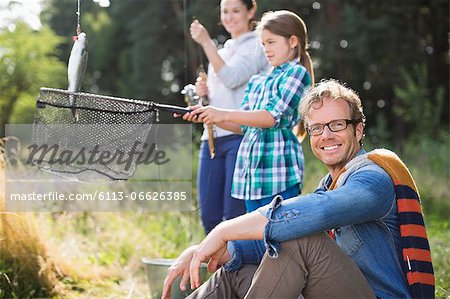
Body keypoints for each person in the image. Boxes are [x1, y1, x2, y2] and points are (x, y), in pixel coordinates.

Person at [163, 79, 435, 299]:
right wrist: (220, 250)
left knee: (301, 236)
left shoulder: (374, 177)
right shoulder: (329, 184)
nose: (325, 135)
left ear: (359, 129)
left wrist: (223, 230)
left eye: (337, 125)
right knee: (237, 270)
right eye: (316, 128)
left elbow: (320, 212)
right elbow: (279, 241)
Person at [185, 10, 315, 212]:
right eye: (263, 44)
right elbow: (242, 126)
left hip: (279, 175)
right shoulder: (257, 80)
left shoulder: (296, 73)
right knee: (251, 240)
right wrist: (207, 115)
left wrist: (222, 113)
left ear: (293, 42)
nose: (266, 49)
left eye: (271, 42)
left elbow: (271, 117)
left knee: (278, 238)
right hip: (252, 180)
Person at [188, 0, 270, 234]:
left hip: (240, 138)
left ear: (250, 11)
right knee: (209, 217)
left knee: (233, 217)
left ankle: (238, 270)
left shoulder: (258, 44)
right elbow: (217, 97)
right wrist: (204, 93)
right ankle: (217, 271)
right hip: (211, 140)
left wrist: (205, 42)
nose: (230, 17)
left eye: (236, 11)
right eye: (225, 11)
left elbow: (232, 77)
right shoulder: (223, 50)